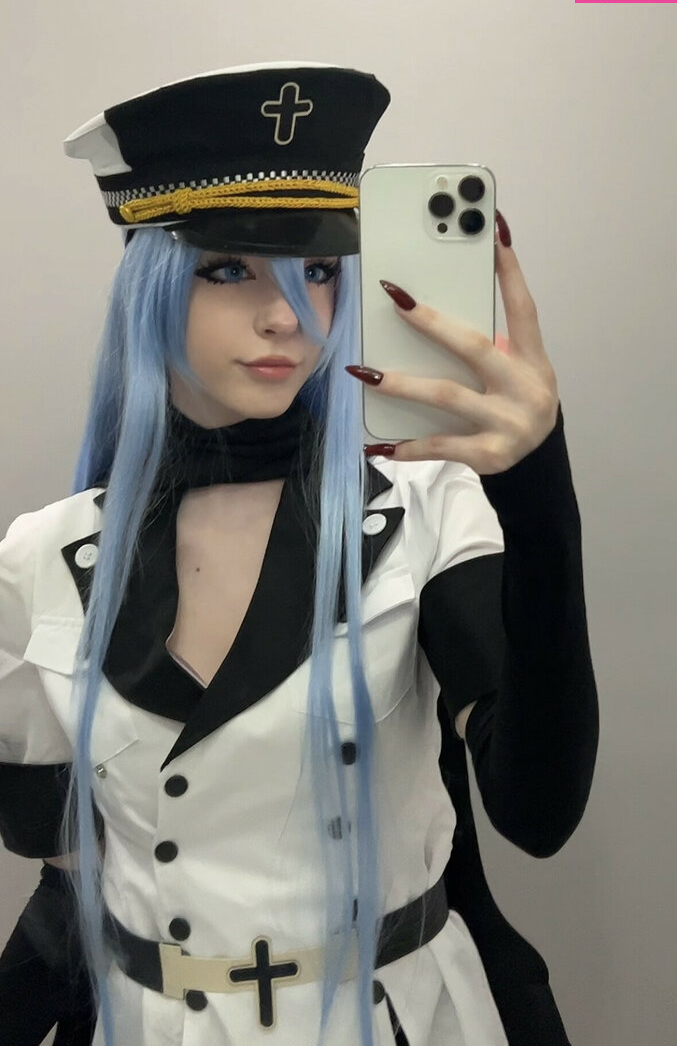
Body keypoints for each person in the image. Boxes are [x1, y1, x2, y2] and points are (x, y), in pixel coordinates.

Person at [0, 62, 599, 1046]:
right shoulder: (41, 558)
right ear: (151, 283)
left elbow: (538, 812)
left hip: (392, 1019)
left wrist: (536, 493)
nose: (287, 314)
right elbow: (68, 887)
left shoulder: (423, 509)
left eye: (317, 271)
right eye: (227, 270)